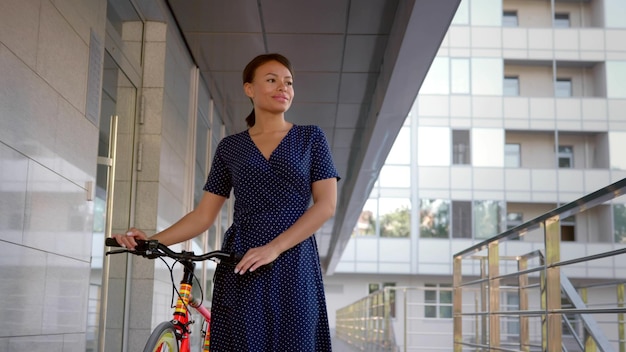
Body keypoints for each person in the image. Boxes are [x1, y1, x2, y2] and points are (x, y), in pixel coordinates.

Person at [112, 53, 340, 351]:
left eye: (288, 82)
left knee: (295, 342)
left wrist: (274, 248)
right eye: (271, 80)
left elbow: (326, 206)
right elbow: (204, 215)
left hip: (293, 261)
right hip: (241, 260)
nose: (283, 87)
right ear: (249, 89)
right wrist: (151, 242)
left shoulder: (311, 138)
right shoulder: (230, 146)